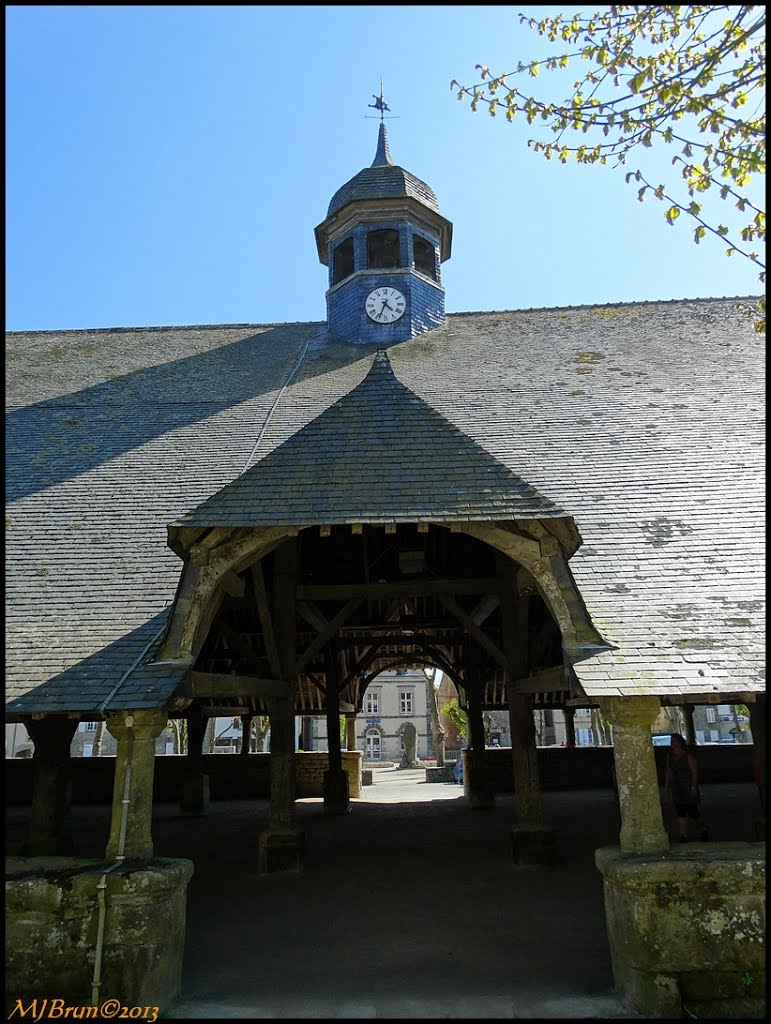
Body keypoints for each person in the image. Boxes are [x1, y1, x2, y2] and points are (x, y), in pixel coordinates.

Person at [664, 733, 710, 842]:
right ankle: (683, 835)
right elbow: (668, 771)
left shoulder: (688, 756)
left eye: (674, 741)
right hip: (676, 787)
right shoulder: (670, 756)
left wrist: (693, 788)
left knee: (692, 812)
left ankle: (703, 827)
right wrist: (666, 786)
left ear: (680, 742)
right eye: (671, 741)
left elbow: (695, 772)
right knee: (680, 812)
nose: (672, 743)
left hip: (687, 786)